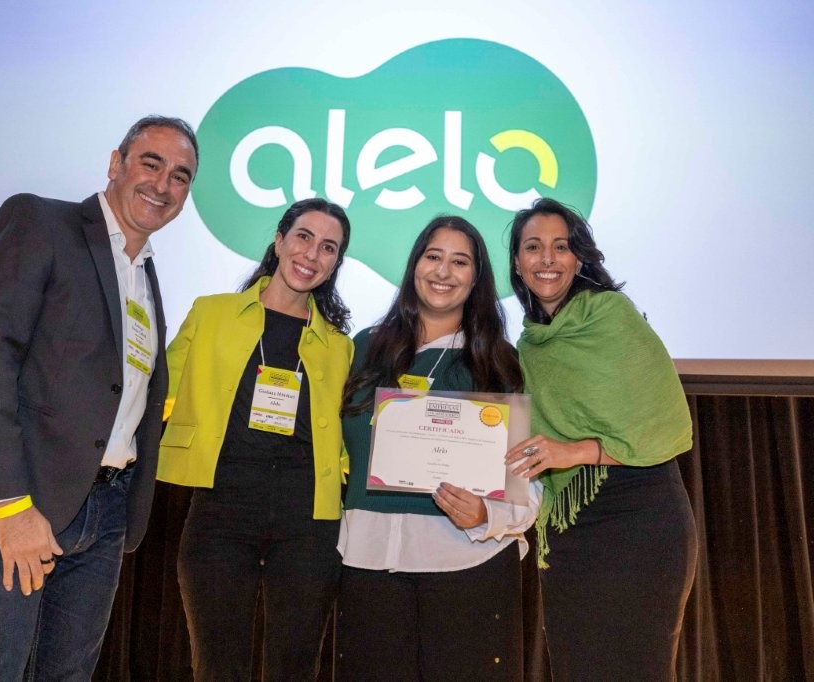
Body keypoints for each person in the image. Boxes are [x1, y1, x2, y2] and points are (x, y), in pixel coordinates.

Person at [0, 115, 199, 680]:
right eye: (151, 163)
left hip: (106, 509)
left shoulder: (145, 274)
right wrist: (11, 503)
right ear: (115, 164)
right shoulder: (41, 222)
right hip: (21, 498)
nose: (163, 184)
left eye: (180, 176)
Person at [158, 198, 354, 681]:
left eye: (328, 247)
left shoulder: (340, 346)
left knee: (294, 667)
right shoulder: (211, 314)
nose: (312, 254)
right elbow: (159, 393)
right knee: (218, 665)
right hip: (221, 508)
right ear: (280, 240)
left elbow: (347, 436)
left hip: (308, 520)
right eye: (304, 237)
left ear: (335, 263)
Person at [336, 216, 539, 682]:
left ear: (477, 277)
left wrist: (485, 515)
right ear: (415, 265)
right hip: (367, 560)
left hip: (465, 562)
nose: (443, 271)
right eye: (433, 256)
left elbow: (526, 481)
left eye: (460, 262)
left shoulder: (498, 361)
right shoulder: (364, 347)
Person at [504, 198, 696, 680]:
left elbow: (662, 423)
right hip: (570, 532)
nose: (547, 259)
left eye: (561, 246)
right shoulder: (530, 344)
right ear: (517, 263)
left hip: (640, 518)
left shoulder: (610, 315)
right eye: (533, 247)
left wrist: (575, 451)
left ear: (579, 258)